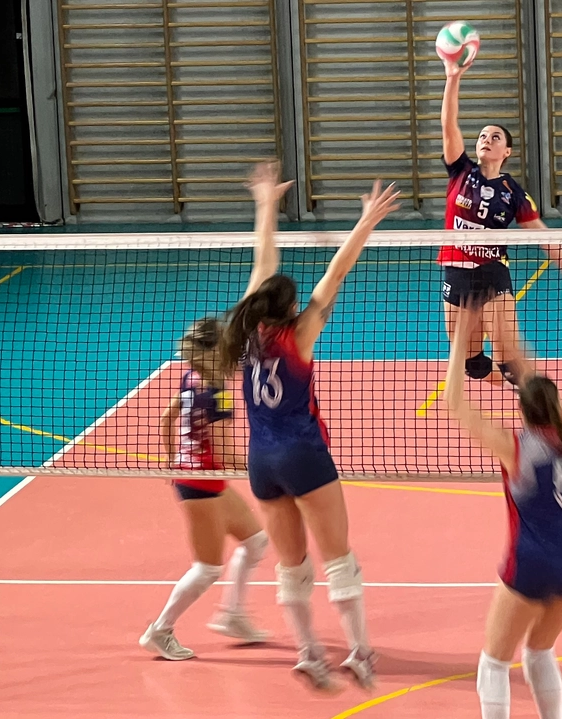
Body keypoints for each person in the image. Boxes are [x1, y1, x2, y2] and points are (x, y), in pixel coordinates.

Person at [216, 162, 402, 689]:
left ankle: (308, 652)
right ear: (291, 308)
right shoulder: (299, 333)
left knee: (291, 566)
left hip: (261, 462)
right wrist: (366, 221)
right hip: (302, 452)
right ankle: (361, 653)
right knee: (339, 558)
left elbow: (263, 263)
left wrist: (266, 205)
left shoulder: (243, 332)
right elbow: (336, 273)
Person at [443, 302, 562, 719]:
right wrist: (502, 323)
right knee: (539, 650)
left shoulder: (516, 447)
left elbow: (454, 403)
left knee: (493, 662)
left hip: (535, 560)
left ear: (523, 411)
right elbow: (530, 376)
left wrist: (461, 339)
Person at [439, 52, 562, 386]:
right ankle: (525, 387)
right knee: (474, 366)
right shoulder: (460, 171)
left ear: (507, 152)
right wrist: (452, 77)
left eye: (495, 137)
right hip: (455, 270)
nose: (487, 139)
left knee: (508, 360)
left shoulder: (513, 192)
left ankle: (536, 401)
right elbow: (448, 124)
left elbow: (543, 236)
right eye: (483, 135)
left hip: (492, 273)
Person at [139, 317, 270, 660]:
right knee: (208, 568)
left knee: (255, 541)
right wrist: (268, 465)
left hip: (200, 477)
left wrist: (173, 458)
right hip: (200, 486)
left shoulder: (191, 378)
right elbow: (226, 453)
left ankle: (233, 616)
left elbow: (167, 419)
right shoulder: (217, 396)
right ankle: (160, 631)